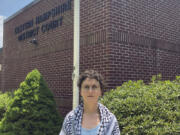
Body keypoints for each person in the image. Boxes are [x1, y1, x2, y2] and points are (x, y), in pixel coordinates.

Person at [59, 70, 120, 135]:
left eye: (94, 87)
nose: (90, 91)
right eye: (86, 87)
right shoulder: (70, 119)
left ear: (100, 91)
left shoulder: (111, 120)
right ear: (80, 92)